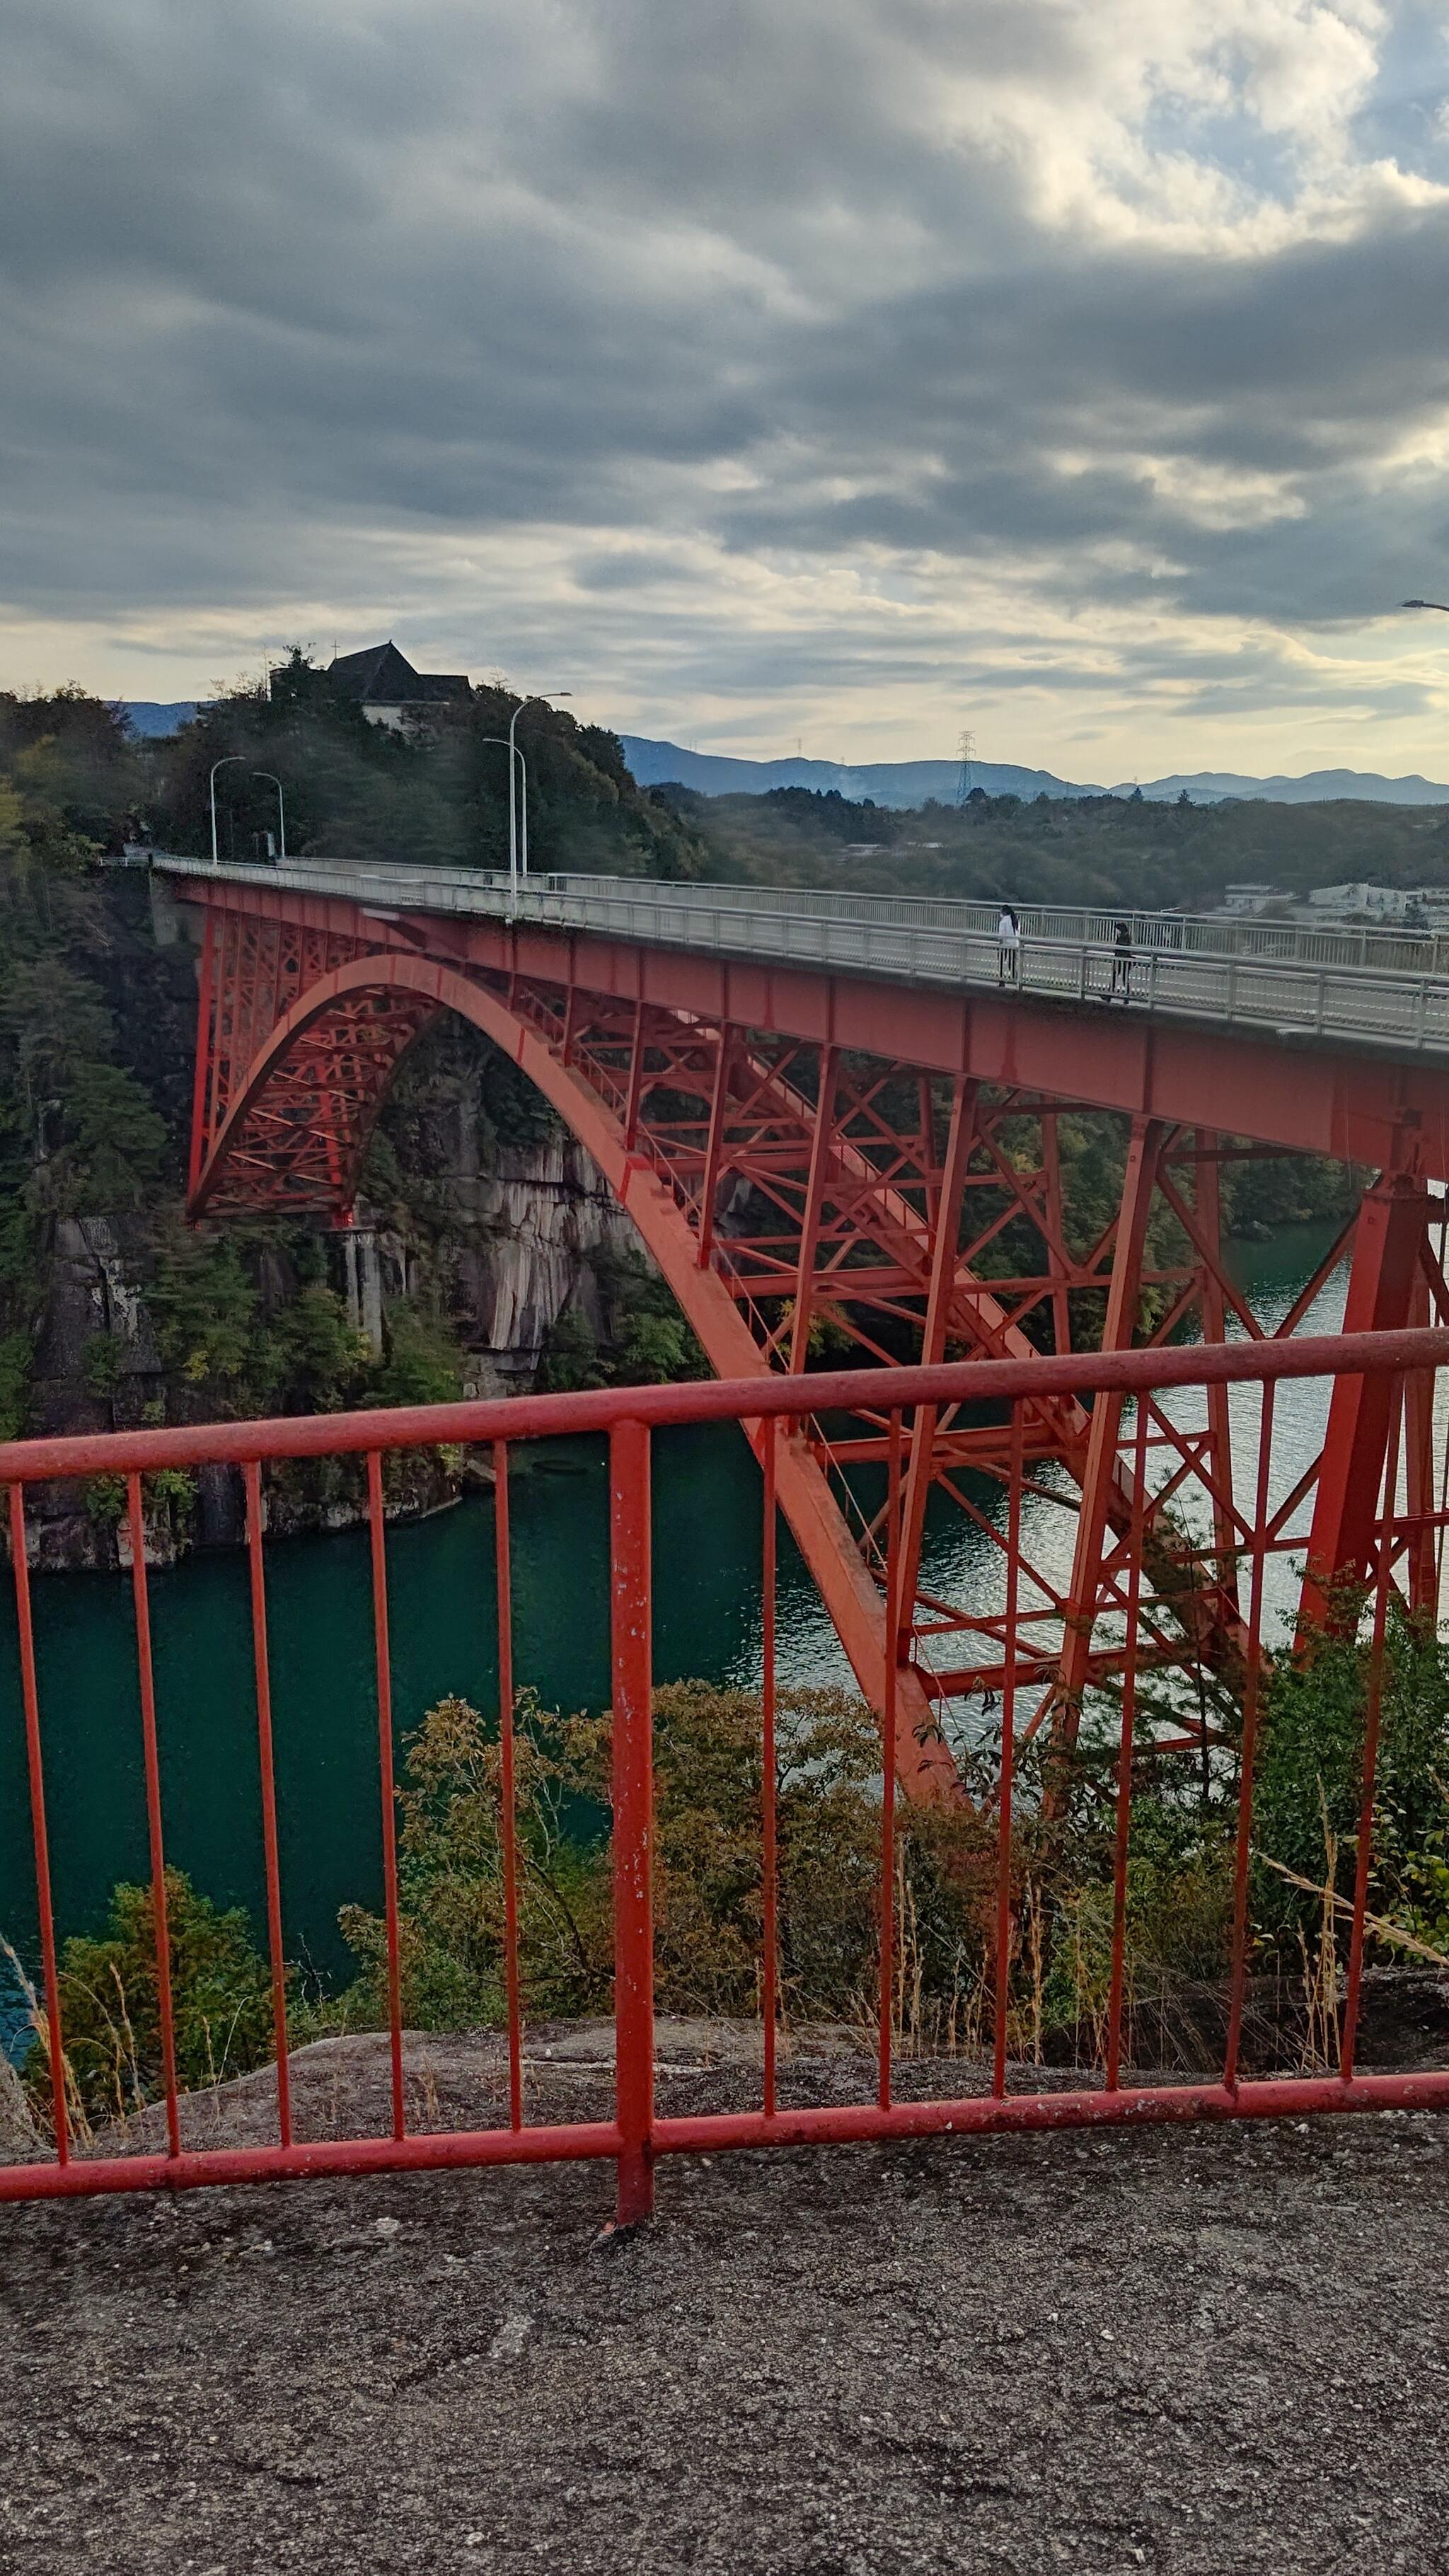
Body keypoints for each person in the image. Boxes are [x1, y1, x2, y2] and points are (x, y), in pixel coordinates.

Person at [996, 903, 1020, 987]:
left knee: (1001, 963)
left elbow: (1001, 935)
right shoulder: (1015, 919)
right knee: (1012, 963)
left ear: (1004, 912)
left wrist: (999, 945)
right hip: (1014, 945)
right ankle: (1016, 980)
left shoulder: (1004, 921)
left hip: (1006, 945)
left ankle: (1001, 981)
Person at [1111, 916, 1133, 1002]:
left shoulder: (1124, 937)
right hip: (1122, 960)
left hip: (1122, 960)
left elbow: (1121, 948)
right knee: (1122, 977)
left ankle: (1111, 993)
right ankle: (1124, 995)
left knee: (1118, 976)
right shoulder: (1125, 936)